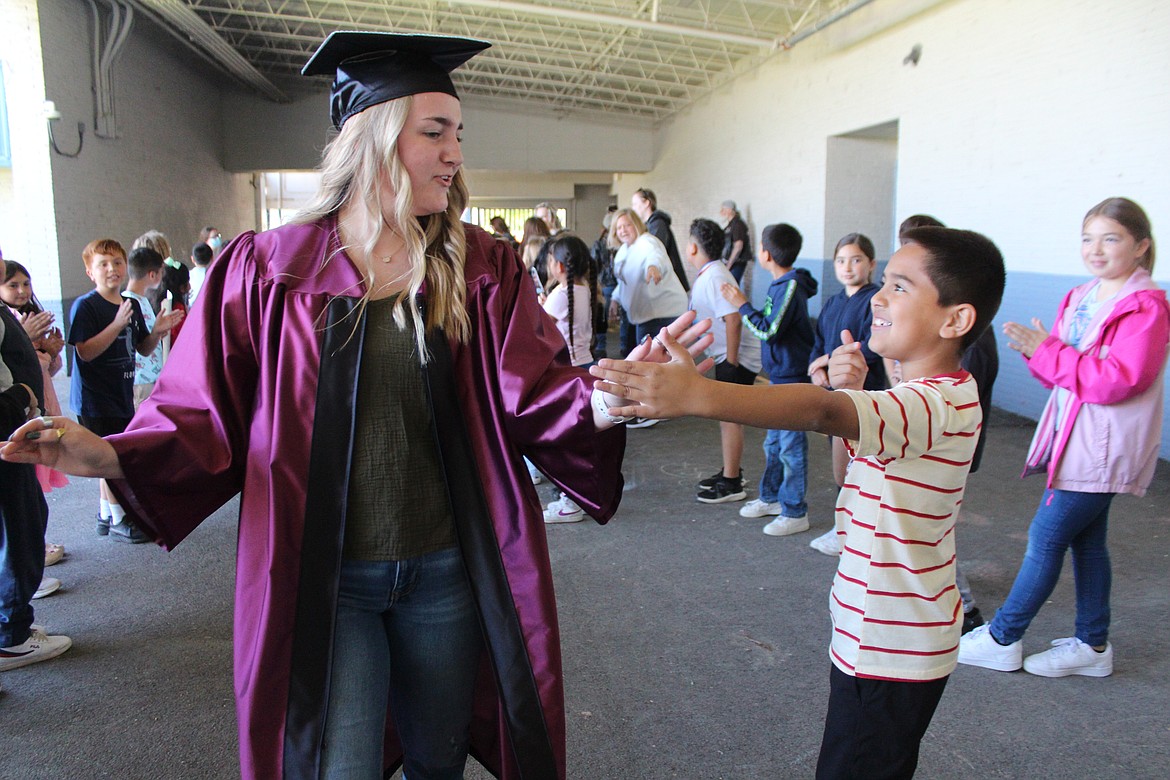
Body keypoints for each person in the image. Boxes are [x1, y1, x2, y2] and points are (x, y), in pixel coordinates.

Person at [3, 32, 711, 779]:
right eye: (434, 132)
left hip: (447, 567)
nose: (455, 153)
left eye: (458, 134)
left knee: (438, 761)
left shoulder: (481, 266)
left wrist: (615, 395)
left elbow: (532, 388)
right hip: (322, 577)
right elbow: (203, 408)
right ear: (373, 140)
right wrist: (110, 454)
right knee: (337, 764)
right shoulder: (268, 270)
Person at [592, 226, 1006, 780]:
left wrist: (698, 395)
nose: (878, 297)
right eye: (884, 282)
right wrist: (859, 391)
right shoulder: (911, 403)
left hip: (891, 644)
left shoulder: (940, 404)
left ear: (956, 320)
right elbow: (854, 449)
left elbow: (821, 414)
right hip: (879, 633)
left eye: (901, 288)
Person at [958, 197, 1169, 679]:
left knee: (1046, 536)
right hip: (1072, 435)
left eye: (1110, 238)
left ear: (1141, 246)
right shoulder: (1081, 297)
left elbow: (1118, 380)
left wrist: (1048, 350)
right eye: (1087, 237)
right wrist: (1041, 354)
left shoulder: (1145, 306)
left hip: (1103, 445)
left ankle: (1002, 637)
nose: (1096, 249)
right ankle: (1093, 646)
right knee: (1087, 542)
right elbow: (1062, 376)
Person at [899, 214, 998, 633]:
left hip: (950, 443)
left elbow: (821, 411)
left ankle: (966, 609)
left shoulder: (959, 360)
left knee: (933, 528)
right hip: (940, 438)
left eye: (903, 284)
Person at [67, 239, 182, 544]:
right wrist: (117, 324)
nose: (112, 269)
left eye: (117, 262)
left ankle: (107, 514)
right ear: (90, 272)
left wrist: (157, 330)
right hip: (95, 398)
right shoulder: (86, 306)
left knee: (113, 452)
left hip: (121, 393)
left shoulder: (127, 304)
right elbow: (85, 353)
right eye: (103, 264)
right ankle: (119, 517)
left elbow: (142, 349)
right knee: (106, 456)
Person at [0, 245, 72, 678]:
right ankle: (10, 636)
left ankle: (12, 620)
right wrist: (22, 398)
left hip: (13, 435)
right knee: (18, 530)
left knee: (25, 524)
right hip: (6, 438)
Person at [721, 223, 818, 535]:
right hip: (778, 377)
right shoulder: (781, 285)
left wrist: (742, 305)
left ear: (766, 253)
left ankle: (794, 511)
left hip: (791, 378)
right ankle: (772, 497)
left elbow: (768, 330)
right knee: (773, 443)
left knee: (790, 446)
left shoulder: (789, 286)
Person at [807, 232, 888, 556]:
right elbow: (818, 342)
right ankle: (846, 524)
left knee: (864, 458)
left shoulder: (875, 300)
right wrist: (817, 370)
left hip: (864, 391)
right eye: (841, 260)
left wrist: (827, 359)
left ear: (871, 264)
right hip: (834, 392)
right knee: (840, 456)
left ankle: (860, 529)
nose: (848, 267)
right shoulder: (833, 301)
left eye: (856, 260)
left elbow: (870, 345)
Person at [683, 218, 761, 504]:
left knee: (729, 419)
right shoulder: (711, 273)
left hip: (737, 356)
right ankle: (731, 471)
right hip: (728, 354)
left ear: (692, 247)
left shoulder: (716, 275)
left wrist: (730, 361)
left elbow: (733, 320)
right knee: (726, 419)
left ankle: (732, 482)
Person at [1, 260, 69, 569]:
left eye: (25, 284)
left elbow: (47, 369)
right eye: (13, 285)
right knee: (21, 505)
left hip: (40, 406)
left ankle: (33, 554)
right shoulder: (10, 321)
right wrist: (27, 339)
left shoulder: (25, 319)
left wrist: (51, 351)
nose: (21, 290)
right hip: (17, 414)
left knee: (32, 498)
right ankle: (27, 564)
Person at [541, 234, 602, 524]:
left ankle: (570, 502)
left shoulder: (559, 294)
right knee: (576, 438)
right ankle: (574, 498)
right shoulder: (583, 289)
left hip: (564, 373)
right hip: (584, 367)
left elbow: (539, 330)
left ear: (560, 266)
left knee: (562, 441)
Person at [610, 208, 688, 358]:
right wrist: (615, 298)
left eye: (627, 225)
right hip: (644, 316)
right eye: (619, 227)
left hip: (662, 315)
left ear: (637, 225)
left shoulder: (647, 241)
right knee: (647, 360)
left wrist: (653, 267)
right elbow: (624, 282)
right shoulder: (624, 250)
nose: (623, 230)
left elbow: (655, 256)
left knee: (654, 360)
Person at [121, 245, 169, 407]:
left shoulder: (142, 300)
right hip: (140, 379)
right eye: (161, 272)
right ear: (152, 274)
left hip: (150, 377)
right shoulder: (128, 303)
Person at [632, 187, 689, 293]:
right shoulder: (649, 226)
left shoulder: (658, 225)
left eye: (635, 204)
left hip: (671, 288)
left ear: (646, 203)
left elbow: (654, 252)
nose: (633, 208)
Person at [719, 200, 753, 284]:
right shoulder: (730, 225)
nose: (721, 212)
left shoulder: (738, 224)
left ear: (730, 210)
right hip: (732, 262)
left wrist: (729, 265)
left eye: (723, 209)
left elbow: (738, 246)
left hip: (736, 262)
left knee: (732, 286)